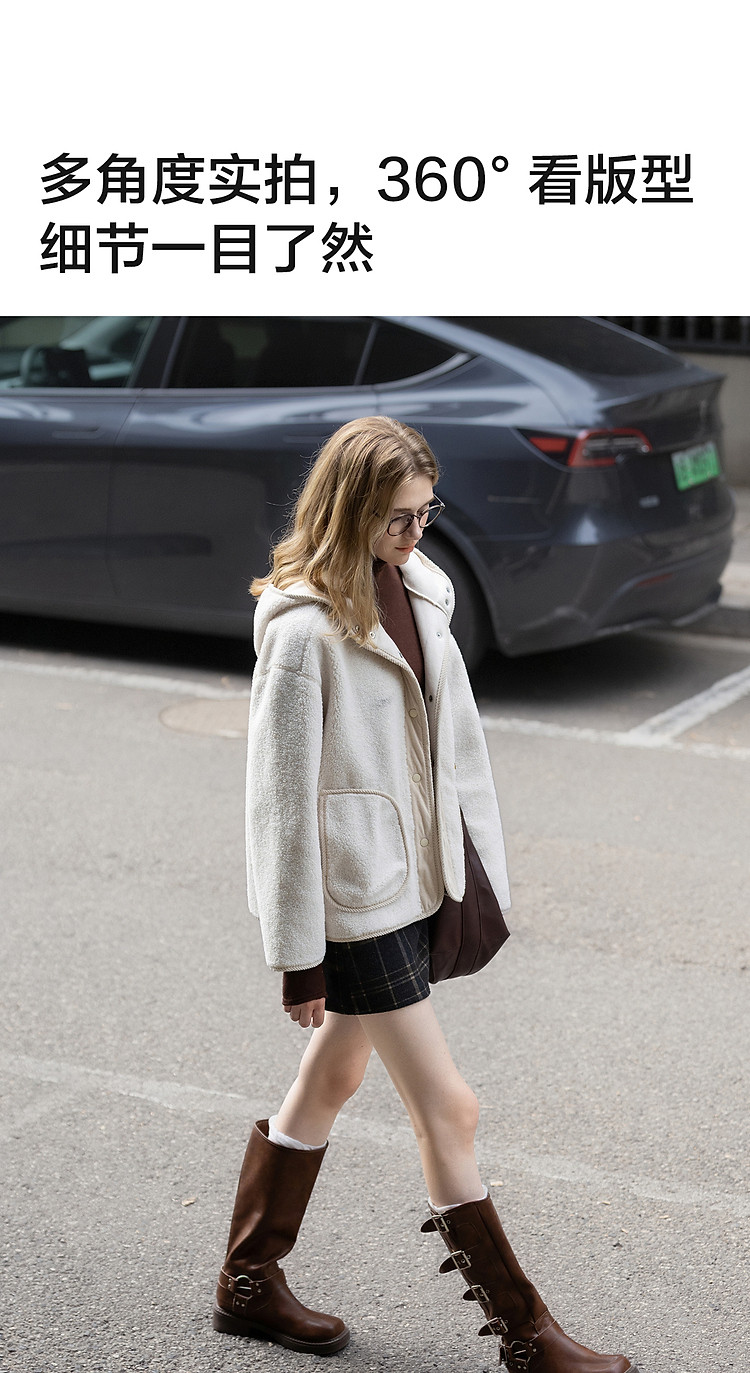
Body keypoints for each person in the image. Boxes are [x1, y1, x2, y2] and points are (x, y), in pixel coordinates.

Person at [212, 416, 635, 1372]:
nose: (415, 532)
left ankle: (247, 1280)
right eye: (398, 517)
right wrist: (300, 957)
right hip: (357, 899)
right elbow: (280, 810)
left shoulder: (418, 586)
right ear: (351, 509)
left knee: (334, 1076)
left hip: (413, 879)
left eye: (425, 512)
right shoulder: (304, 633)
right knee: (452, 1106)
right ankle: (528, 1335)